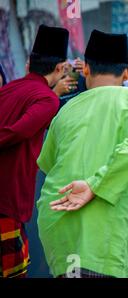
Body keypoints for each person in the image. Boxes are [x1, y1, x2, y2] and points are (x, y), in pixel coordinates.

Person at [36, 29, 128, 278]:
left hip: (59, 227)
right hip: (109, 233)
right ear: (127, 72)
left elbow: (48, 162)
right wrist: (96, 184)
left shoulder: (66, 108)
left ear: (86, 70)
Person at [0, 25, 68, 278]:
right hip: (8, 192)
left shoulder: (10, 87)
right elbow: (19, 131)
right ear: (60, 68)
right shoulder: (47, 98)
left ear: (29, 63)